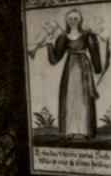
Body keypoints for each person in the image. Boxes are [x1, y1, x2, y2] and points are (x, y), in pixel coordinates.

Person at [42, 9, 102, 139]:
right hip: (69, 69)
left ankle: (85, 131)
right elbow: (55, 59)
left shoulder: (88, 36)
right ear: (66, 20)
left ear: (80, 20)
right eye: (70, 19)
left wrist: (97, 70)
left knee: (84, 98)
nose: (73, 21)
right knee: (70, 97)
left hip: (83, 69)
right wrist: (49, 44)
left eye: (76, 18)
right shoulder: (63, 37)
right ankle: (70, 131)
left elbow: (95, 54)